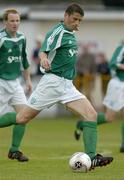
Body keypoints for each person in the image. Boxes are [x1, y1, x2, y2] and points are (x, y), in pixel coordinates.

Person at [0, 4, 113, 169]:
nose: (77, 23)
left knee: (91, 115)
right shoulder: (58, 31)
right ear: (66, 16)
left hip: (67, 85)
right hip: (52, 84)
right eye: (75, 19)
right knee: (21, 118)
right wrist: (44, 58)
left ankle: (91, 158)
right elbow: (43, 50)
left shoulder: (71, 33)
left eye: (80, 20)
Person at [74, 43, 124, 152]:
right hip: (119, 85)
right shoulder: (121, 48)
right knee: (109, 118)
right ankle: (82, 124)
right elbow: (113, 63)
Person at [0, 9, 32, 161]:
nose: (15, 24)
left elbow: (24, 61)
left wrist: (28, 80)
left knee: (25, 116)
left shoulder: (22, 37)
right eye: (12, 21)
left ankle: (14, 150)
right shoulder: (1, 38)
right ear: (5, 22)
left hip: (16, 83)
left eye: (17, 20)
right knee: (17, 117)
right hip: (0, 83)